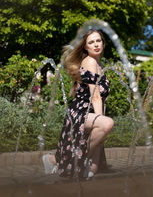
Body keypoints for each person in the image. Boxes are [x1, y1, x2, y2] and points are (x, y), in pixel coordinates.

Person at [42, 29, 114, 179]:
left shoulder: (99, 64)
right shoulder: (90, 62)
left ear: (103, 43)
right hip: (80, 113)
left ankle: (53, 160)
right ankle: (73, 161)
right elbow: (95, 97)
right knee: (107, 125)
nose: (95, 44)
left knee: (93, 169)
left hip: (90, 113)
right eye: (91, 42)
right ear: (85, 47)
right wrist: (101, 121)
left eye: (98, 41)